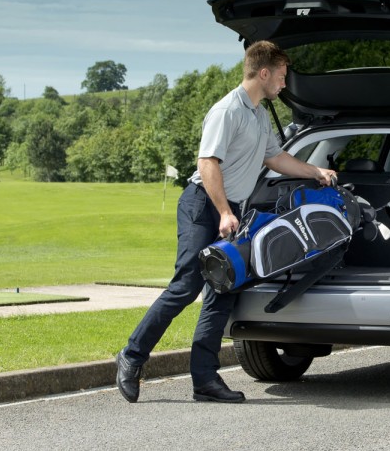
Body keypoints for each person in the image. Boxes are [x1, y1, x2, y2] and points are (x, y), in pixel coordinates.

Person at [116, 41, 337, 404]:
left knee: (223, 290)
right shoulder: (227, 111)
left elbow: (276, 158)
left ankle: (204, 380)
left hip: (229, 208)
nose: (284, 84)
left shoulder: (259, 115)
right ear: (263, 72)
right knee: (187, 285)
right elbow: (208, 164)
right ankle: (132, 355)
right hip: (203, 204)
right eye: (281, 76)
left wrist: (315, 171)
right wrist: (223, 212)